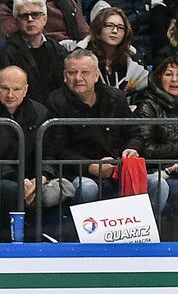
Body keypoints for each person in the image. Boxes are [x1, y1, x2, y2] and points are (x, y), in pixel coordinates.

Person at [0, 64, 59, 240]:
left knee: (64, 189)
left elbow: (50, 154)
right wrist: (20, 180)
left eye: (16, 89)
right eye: (5, 88)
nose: (10, 95)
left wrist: (42, 177)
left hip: (34, 179)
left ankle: (49, 239)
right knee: (13, 190)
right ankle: (13, 239)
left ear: (25, 90)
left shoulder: (41, 113)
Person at [44, 49, 145, 206]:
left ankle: (144, 230)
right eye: (72, 73)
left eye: (85, 72)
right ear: (64, 76)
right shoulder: (56, 102)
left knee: (157, 183)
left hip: (118, 168)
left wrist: (132, 149)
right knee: (87, 188)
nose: (78, 78)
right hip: (79, 172)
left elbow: (135, 134)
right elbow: (57, 150)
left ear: (96, 75)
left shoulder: (115, 97)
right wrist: (90, 167)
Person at [134, 52, 178, 239]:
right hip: (155, 172)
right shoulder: (148, 106)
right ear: (159, 78)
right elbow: (145, 148)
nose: (174, 80)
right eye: (168, 74)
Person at [77, 5, 148, 100]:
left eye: (120, 28)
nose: (115, 31)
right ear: (99, 28)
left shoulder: (134, 59)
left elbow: (141, 95)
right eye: (109, 25)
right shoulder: (81, 57)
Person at [4, 0, 66, 104]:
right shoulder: (6, 50)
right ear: (16, 21)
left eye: (35, 14)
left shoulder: (57, 49)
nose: (30, 19)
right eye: (24, 16)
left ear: (45, 19)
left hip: (55, 110)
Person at [0, 0, 87, 44]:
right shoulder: (8, 8)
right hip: (28, 54)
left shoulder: (67, 4)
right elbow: (12, 39)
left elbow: (85, 34)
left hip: (71, 52)